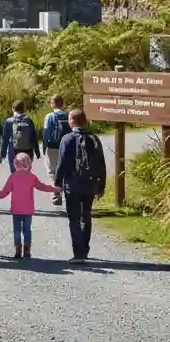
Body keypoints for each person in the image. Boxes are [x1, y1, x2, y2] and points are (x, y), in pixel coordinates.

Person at [54, 107, 107, 263]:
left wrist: (57, 184)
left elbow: (61, 164)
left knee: (74, 219)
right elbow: (102, 164)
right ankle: (85, 249)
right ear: (85, 121)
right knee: (86, 216)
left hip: (73, 184)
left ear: (72, 122)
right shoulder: (94, 139)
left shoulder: (68, 139)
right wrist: (101, 185)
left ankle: (78, 254)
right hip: (90, 184)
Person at [0, 151, 60, 258]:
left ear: (15, 164)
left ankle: (18, 249)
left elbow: (4, 193)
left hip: (16, 210)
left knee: (16, 230)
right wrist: (56, 188)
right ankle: (27, 250)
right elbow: (42, 187)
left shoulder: (13, 177)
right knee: (27, 230)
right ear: (29, 164)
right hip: (28, 210)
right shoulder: (32, 177)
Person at [40, 95, 71, 206]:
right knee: (66, 171)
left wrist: (44, 146)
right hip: (67, 147)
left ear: (52, 104)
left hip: (53, 147)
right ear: (62, 104)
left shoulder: (50, 116)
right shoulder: (68, 115)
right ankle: (68, 194)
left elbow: (46, 132)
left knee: (52, 171)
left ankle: (57, 194)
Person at [0, 100, 41, 173]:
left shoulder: (9, 121)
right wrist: (37, 152)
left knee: (14, 174)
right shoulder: (29, 121)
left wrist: (2, 154)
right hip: (28, 152)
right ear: (24, 109)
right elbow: (34, 138)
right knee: (26, 173)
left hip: (13, 152)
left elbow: (5, 139)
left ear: (13, 109)